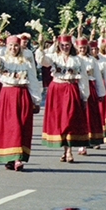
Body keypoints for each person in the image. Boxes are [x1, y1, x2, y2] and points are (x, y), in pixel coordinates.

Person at [0, 35, 41, 171]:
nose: (13, 48)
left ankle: (18, 157)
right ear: (7, 47)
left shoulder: (25, 63)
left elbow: (32, 81)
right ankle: (9, 157)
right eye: (10, 45)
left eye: (16, 45)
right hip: (8, 95)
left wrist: (36, 99)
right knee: (10, 126)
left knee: (21, 125)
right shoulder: (2, 61)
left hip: (22, 95)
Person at [35, 34, 89, 162]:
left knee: (69, 119)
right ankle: (65, 149)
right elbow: (41, 60)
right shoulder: (54, 57)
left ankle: (69, 150)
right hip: (57, 89)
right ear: (59, 46)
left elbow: (83, 79)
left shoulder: (77, 60)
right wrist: (41, 45)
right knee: (60, 120)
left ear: (71, 46)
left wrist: (84, 96)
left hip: (70, 88)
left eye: (67, 45)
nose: (65, 47)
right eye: (62, 45)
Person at [76, 38, 106, 154]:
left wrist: (101, 92)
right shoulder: (75, 59)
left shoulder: (92, 60)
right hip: (78, 88)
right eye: (80, 48)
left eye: (84, 48)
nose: (82, 50)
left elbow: (98, 77)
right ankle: (81, 143)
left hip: (91, 87)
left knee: (92, 115)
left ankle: (93, 138)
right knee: (80, 116)